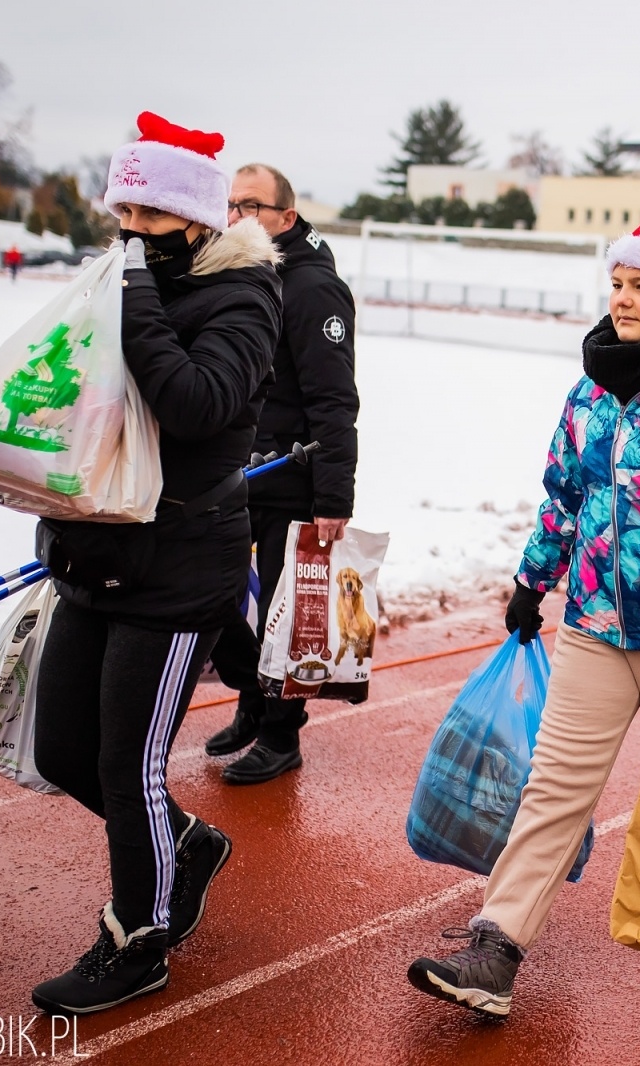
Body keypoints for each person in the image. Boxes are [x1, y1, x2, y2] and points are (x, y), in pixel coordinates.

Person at [407, 220, 640, 1017]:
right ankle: (496, 948)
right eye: (616, 282)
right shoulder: (591, 387)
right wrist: (532, 582)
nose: (621, 298)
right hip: (591, 626)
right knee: (553, 789)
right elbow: (566, 498)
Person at [27, 111, 282, 1016]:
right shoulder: (122, 279)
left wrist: (132, 297)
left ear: (196, 221)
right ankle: (186, 845)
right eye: (119, 212)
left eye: (147, 214)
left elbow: (199, 401)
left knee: (127, 764)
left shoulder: (244, 295)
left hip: (176, 571)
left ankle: (139, 941)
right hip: (93, 551)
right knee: (63, 751)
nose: (128, 231)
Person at [204, 162, 360, 784]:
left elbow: (334, 398)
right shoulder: (247, 272)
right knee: (224, 602)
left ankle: (280, 734)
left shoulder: (314, 287)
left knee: (281, 609)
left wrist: (333, 496)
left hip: (292, 476)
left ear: (285, 218)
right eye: (230, 205)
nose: (236, 216)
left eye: (251, 206)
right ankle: (251, 701)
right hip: (240, 473)